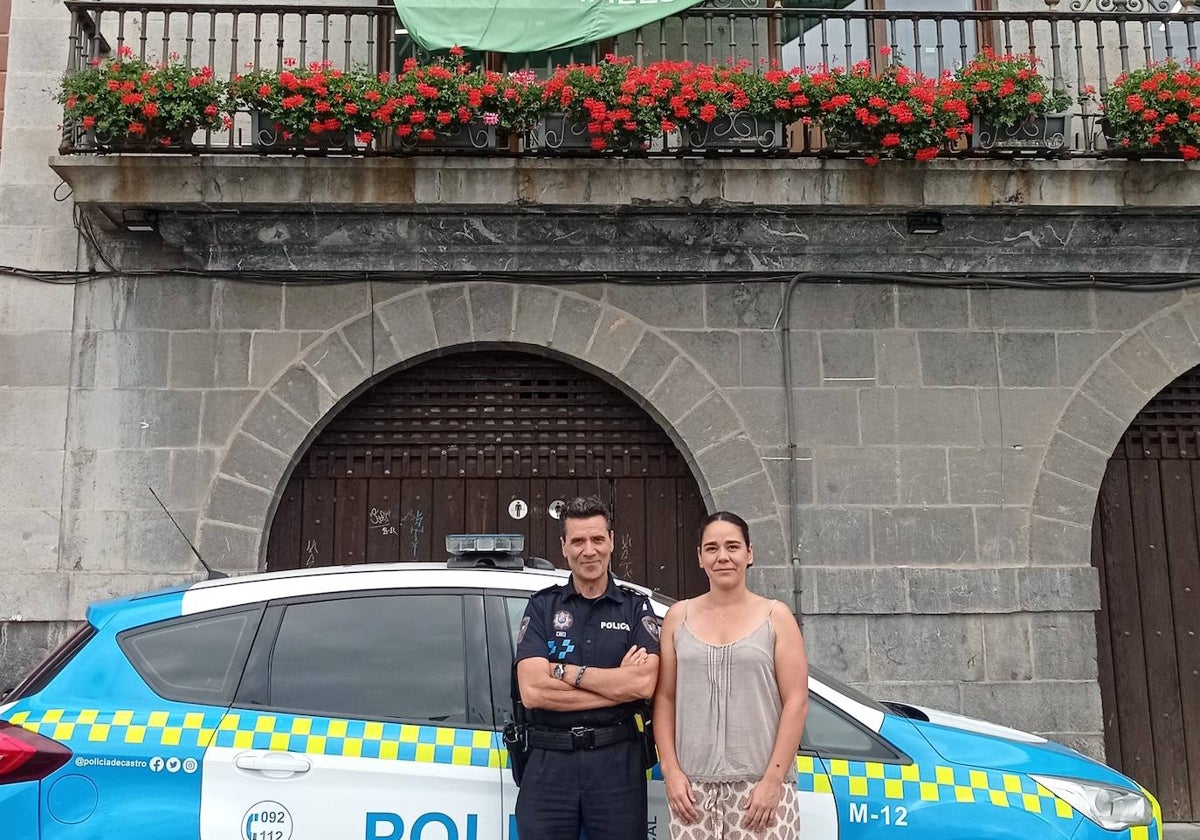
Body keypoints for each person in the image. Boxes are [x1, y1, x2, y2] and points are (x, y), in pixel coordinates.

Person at [653, 511, 809, 840]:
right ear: (699, 557)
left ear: (748, 554)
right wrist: (672, 773)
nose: (723, 556)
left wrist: (772, 782)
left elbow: (796, 701)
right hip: (692, 794)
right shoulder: (677, 617)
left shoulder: (775, 616)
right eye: (711, 548)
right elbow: (665, 698)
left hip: (760, 793)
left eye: (732, 547)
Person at [514, 495, 661, 840]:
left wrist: (565, 672)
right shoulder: (541, 607)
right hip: (548, 763)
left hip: (616, 763)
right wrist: (615, 688)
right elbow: (533, 691)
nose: (588, 550)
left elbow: (642, 685)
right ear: (564, 547)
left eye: (597, 539)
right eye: (578, 541)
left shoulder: (635, 608)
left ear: (611, 541)